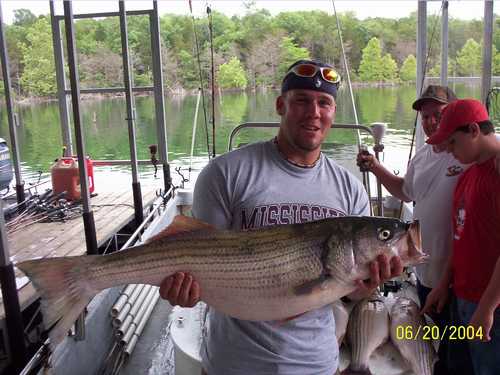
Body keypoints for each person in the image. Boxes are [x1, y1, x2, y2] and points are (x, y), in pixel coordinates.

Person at [159, 59, 403, 375]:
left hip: (314, 364)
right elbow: (198, 259)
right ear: (280, 105)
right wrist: (184, 291)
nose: (314, 112)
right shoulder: (225, 173)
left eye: (324, 103)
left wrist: (370, 283)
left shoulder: (351, 190)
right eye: (302, 100)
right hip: (233, 363)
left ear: (333, 113)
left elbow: (350, 292)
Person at [356, 85, 470, 375]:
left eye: (438, 114)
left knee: (459, 345)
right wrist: (375, 166)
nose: (431, 121)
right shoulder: (422, 155)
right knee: (437, 339)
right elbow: (405, 191)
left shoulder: (465, 153)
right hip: (425, 270)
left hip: (457, 275)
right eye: (426, 116)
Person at [423, 98, 500, 375]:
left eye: (453, 142)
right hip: (461, 299)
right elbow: (461, 235)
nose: (447, 149)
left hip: (490, 309)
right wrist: (443, 284)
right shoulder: (467, 176)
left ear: (474, 130)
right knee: (457, 366)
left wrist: (488, 308)